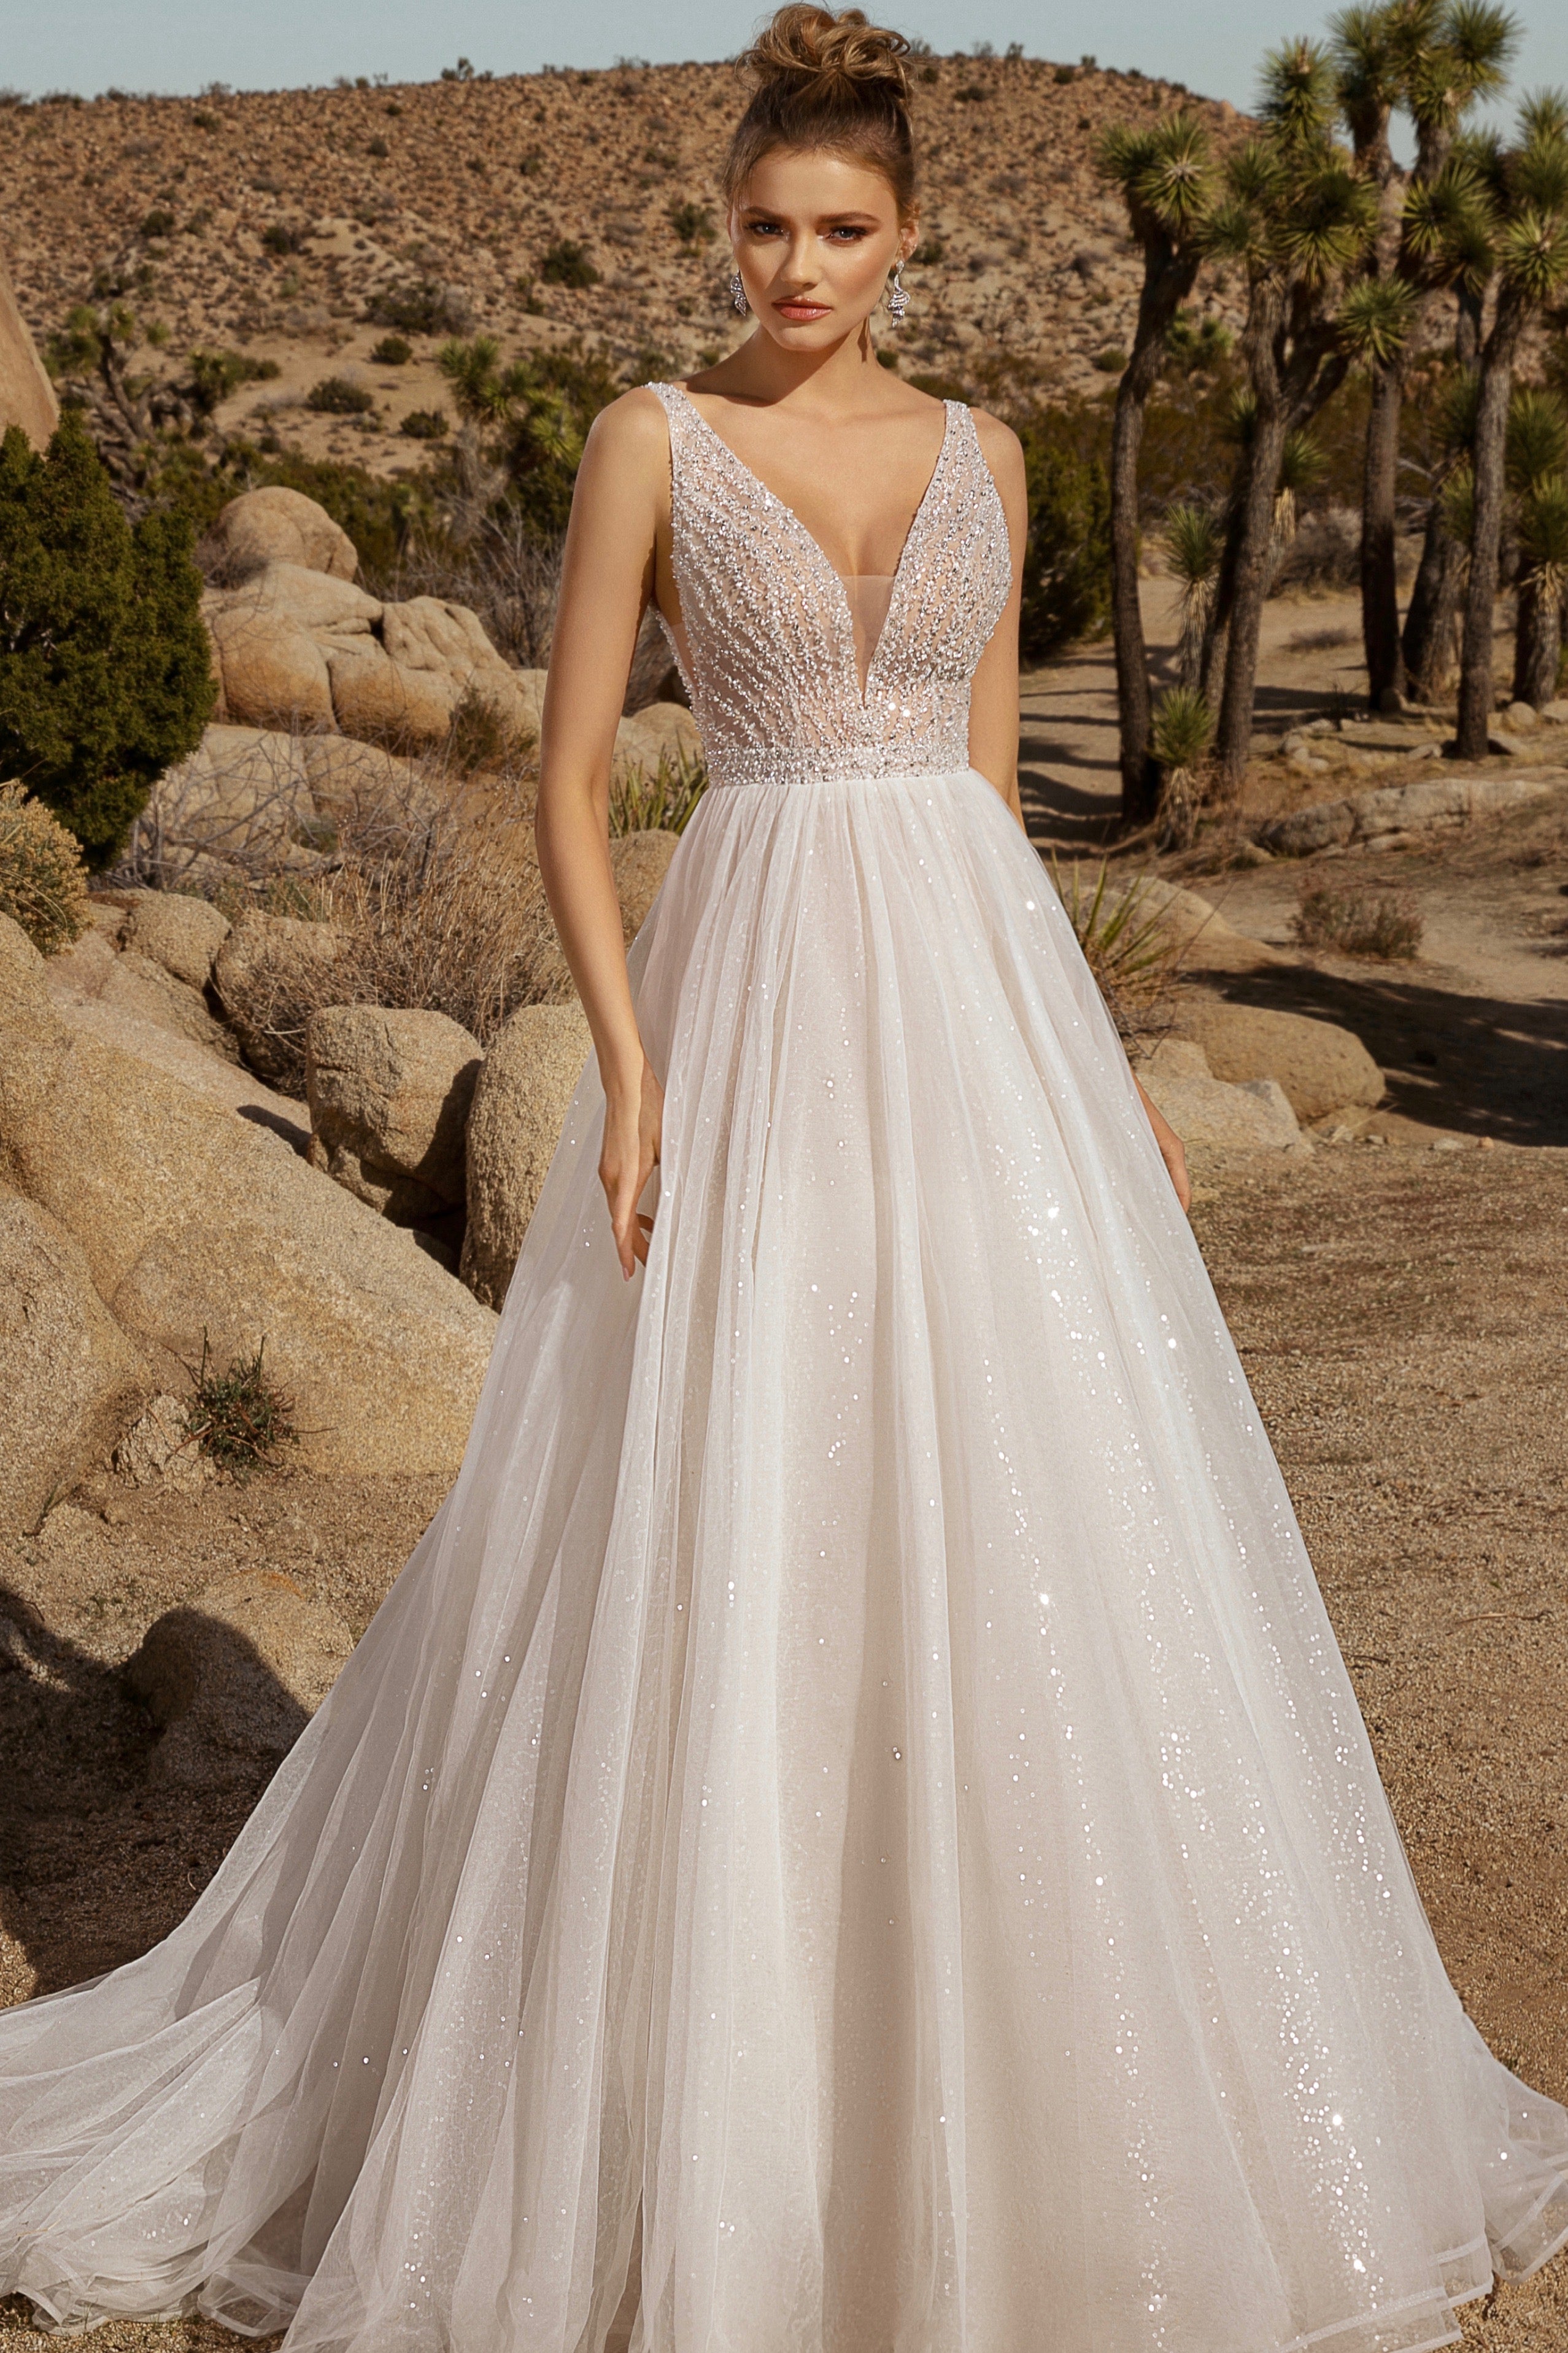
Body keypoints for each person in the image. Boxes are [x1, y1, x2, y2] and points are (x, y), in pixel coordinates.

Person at [2, 9, 1566, 2349]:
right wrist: (627, 1070)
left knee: (1028, 1488)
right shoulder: (652, 436)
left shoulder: (989, 450)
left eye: (841, 229)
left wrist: (1101, 1042)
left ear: (910, 236)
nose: (798, 263)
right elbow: (561, 784)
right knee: (728, 1481)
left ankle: (1035, 2073)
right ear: (723, 229)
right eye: (763, 226)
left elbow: (985, 779)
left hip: (967, 995)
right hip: (748, 986)